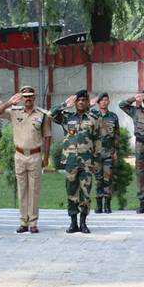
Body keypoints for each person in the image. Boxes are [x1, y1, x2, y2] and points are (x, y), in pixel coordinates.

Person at [0, 86, 51, 233]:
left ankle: (33, 222)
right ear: (21, 98)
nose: (28, 99)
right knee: (22, 189)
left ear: (34, 97)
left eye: (30, 96)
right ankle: (23, 222)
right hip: (19, 155)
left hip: (35, 155)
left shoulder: (42, 114)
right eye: (25, 96)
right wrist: (9, 102)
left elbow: (47, 136)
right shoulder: (15, 112)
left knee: (34, 190)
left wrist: (46, 157)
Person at [51, 89, 101, 234]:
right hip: (71, 161)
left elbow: (97, 140)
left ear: (87, 102)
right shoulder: (67, 117)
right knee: (71, 191)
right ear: (75, 102)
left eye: (84, 100)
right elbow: (52, 114)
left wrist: (96, 161)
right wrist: (64, 104)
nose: (81, 103)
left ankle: (83, 223)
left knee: (85, 192)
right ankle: (73, 223)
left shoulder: (93, 119)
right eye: (78, 100)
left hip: (87, 161)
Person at [90, 93, 119, 214]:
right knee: (98, 179)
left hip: (108, 153)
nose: (104, 102)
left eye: (106, 100)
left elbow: (116, 135)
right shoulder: (92, 115)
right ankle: (98, 205)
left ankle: (107, 205)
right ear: (98, 102)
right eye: (101, 100)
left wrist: (116, 151)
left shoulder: (113, 116)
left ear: (109, 102)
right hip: (96, 153)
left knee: (108, 179)